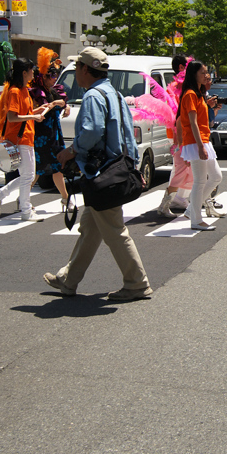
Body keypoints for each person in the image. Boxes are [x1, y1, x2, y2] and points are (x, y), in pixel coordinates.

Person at [43, 47, 153, 301]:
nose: (75, 73)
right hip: (114, 171)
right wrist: (133, 166)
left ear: (83, 69)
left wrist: (72, 150)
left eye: (76, 68)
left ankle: (137, 283)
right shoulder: (113, 93)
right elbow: (126, 134)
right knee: (91, 227)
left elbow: (92, 131)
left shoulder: (93, 95)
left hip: (102, 174)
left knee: (114, 230)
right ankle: (68, 279)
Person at [0, 58, 49, 220]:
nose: (33, 73)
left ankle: (0, 196)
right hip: (19, 139)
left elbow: (23, 113)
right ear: (24, 72)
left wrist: (37, 110)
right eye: (31, 70)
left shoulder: (23, 90)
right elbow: (12, 117)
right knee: (28, 176)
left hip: (25, 138)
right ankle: (25, 210)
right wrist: (34, 116)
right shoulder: (15, 91)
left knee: (27, 175)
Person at [178, 61, 223, 231]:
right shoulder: (190, 94)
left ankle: (192, 211)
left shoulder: (197, 94)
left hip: (203, 140)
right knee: (200, 181)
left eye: (206, 72)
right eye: (203, 72)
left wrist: (209, 105)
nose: (206, 75)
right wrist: (200, 146)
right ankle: (196, 219)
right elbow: (192, 122)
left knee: (215, 176)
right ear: (194, 74)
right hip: (197, 141)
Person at [30, 53, 70, 206]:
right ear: (41, 77)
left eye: (55, 74)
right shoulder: (34, 92)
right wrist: (49, 107)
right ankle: (22, 198)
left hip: (54, 135)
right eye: (50, 75)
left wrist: (64, 106)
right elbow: (32, 113)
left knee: (57, 167)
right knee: (37, 171)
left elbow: (60, 103)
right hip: (40, 136)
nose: (54, 78)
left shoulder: (52, 91)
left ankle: (65, 199)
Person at [156, 54, 193, 217]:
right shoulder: (176, 88)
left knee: (188, 170)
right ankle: (165, 204)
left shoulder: (182, 86)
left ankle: (180, 200)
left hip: (185, 135)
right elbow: (177, 115)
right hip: (180, 135)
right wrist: (178, 141)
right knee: (181, 169)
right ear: (181, 68)